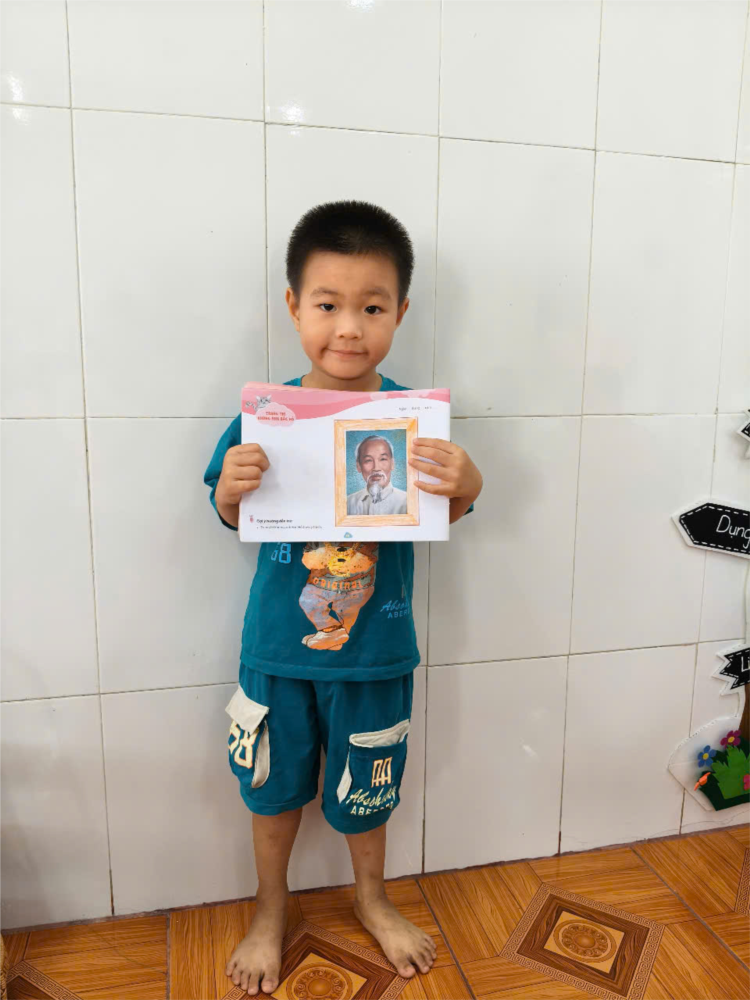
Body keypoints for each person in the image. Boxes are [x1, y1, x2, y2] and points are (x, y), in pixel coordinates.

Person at [204, 200, 483, 996]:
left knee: (369, 784)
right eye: (328, 305)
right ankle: (270, 908)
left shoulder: (412, 424)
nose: (349, 328)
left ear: (401, 312)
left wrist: (468, 481)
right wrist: (229, 489)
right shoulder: (263, 418)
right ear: (294, 306)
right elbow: (228, 513)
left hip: (375, 651)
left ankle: (371, 896)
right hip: (278, 649)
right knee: (270, 787)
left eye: (373, 307)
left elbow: (449, 509)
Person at [346, 434, 408, 515]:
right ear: (358, 466)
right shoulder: (348, 504)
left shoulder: (407, 502)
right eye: (368, 460)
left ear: (392, 464)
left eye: (383, 459)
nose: (376, 468)